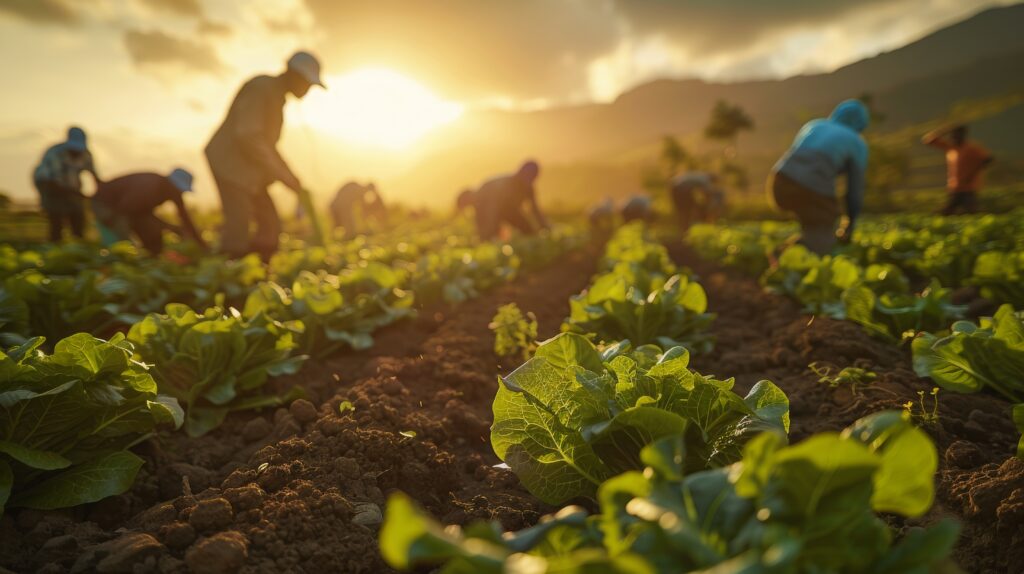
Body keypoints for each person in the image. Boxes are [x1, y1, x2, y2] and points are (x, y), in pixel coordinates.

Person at [205, 51, 325, 261]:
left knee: (270, 226)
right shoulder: (262, 88)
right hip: (231, 166)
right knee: (238, 229)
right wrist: (284, 176)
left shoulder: (276, 96)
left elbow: (269, 146)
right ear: (294, 74)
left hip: (248, 170)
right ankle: (229, 275)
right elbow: (248, 136)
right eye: (307, 83)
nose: (308, 90)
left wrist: (291, 177)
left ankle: (259, 271)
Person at [769, 99, 869, 255]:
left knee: (812, 225)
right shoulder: (857, 142)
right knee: (822, 237)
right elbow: (854, 192)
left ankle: (788, 256)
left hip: (780, 182)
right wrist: (850, 225)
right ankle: (785, 258)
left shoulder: (815, 125)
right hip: (813, 188)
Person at [91, 169, 206, 255]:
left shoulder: (172, 192)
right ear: (171, 185)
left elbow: (185, 217)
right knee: (123, 239)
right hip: (106, 204)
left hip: (128, 209)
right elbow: (128, 211)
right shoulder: (148, 188)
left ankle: (150, 256)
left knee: (153, 232)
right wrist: (167, 226)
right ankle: (124, 261)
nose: (180, 194)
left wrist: (201, 243)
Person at [32, 126, 100, 242]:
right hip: (47, 184)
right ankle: (55, 243)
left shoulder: (86, 155)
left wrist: (100, 194)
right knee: (56, 217)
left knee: (78, 216)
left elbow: (94, 176)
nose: (76, 153)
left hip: (71, 185)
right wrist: (77, 194)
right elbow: (52, 182)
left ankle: (78, 243)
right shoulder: (55, 153)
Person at [457, 160, 549, 240]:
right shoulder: (504, 185)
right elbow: (491, 211)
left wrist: (546, 228)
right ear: (520, 173)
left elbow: (535, 211)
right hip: (486, 205)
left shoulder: (528, 189)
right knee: (488, 236)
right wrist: (488, 233)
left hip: (506, 210)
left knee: (528, 231)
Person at [921, 124, 993, 215]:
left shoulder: (972, 148)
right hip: (955, 187)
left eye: (957, 134)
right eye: (953, 134)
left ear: (963, 134)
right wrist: (944, 130)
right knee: (948, 212)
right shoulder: (951, 148)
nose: (954, 137)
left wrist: (972, 174)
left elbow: (988, 159)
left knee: (971, 212)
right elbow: (927, 140)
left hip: (969, 188)